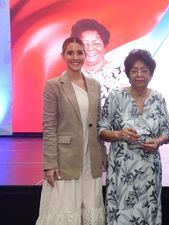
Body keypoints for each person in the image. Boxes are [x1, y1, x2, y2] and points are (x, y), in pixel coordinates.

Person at [35, 37, 106, 225]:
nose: (76, 57)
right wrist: (49, 162)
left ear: (85, 54)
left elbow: (98, 124)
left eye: (79, 52)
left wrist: (103, 155)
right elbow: (49, 126)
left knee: (90, 209)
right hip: (65, 159)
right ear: (63, 55)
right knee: (64, 210)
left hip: (90, 158)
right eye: (70, 53)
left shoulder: (95, 85)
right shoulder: (54, 85)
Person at [99, 49, 169, 225]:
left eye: (144, 70)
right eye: (134, 70)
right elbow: (102, 129)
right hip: (121, 170)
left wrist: (159, 141)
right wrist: (119, 134)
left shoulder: (158, 98)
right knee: (120, 214)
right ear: (128, 74)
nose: (139, 75)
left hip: (149, 170)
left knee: (148, 214)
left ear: (151, 73)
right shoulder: (116, 97)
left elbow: (167, 132)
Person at [71, 18, 127, 104]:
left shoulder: (122, 70)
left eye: (96, 43)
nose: (90, 48)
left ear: (104, 45)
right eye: (85, 43)